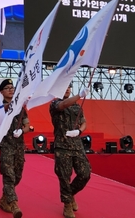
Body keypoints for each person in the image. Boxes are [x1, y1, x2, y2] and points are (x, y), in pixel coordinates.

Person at [50, 84, 90, 218]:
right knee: (64, 177)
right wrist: (79, 95)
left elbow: (84, 122)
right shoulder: (54, 103)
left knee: (85, 174)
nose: (67, 89)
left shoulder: (77, 107)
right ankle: (67, 204)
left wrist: (79, 131)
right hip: (62, 146)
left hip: (77, 145)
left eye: (69, 87)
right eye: (65, 86)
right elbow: (63, 105)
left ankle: (70, 194)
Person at [0, 79, 30, 218]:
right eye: (7, 88)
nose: (11, 89)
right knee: (9, 175)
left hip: (18, 147)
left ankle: (4, 199)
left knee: (17, 175)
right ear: (2, 91)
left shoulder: (20, 109)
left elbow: (27, 125)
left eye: (12, 87)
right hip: (5, 146)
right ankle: (14, 204)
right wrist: (16, 102)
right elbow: (3, 110)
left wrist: (23, 130)